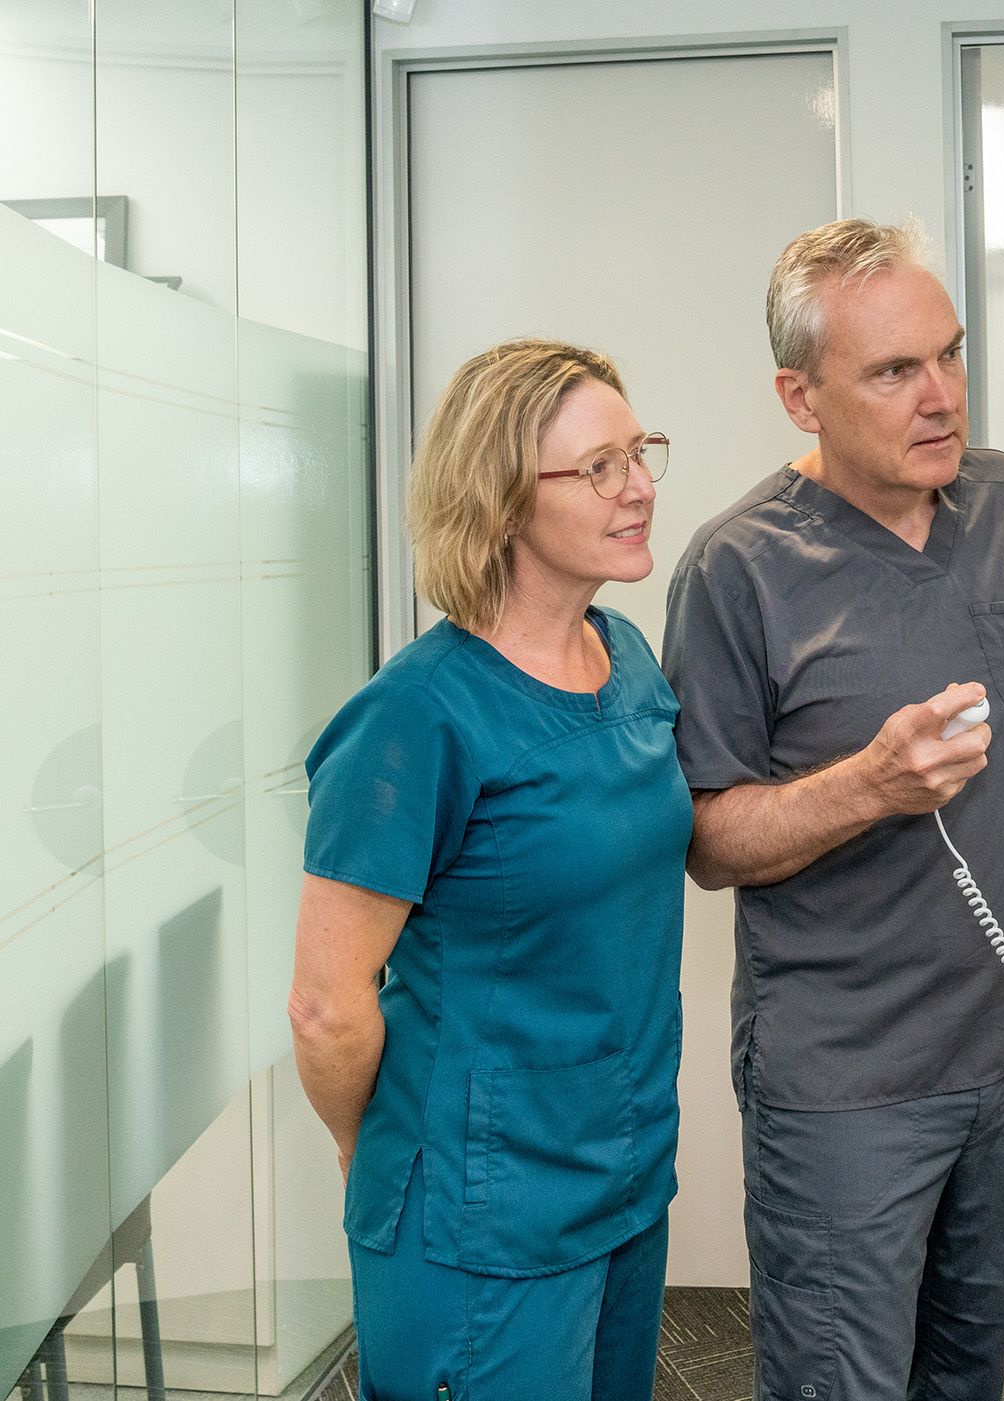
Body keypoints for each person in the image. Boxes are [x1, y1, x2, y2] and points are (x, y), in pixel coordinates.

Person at [662, 218, 1004, 1401]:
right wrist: (871, 786)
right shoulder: (737, 568)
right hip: (845, 1087)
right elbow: (707, 839)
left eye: (950, 356)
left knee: (970, 1375)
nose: (942, 397)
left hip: (1003, 1057)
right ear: (801, 396)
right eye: (896, 371)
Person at [287, 339, 688, 1400]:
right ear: (504, 500)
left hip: (625, 1177)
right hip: (480, 1218)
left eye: (639, 452)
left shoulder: (628, 659)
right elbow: (327, 1009)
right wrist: (374, 1154)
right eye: (598, 466)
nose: (639, 484)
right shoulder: (416, 716)